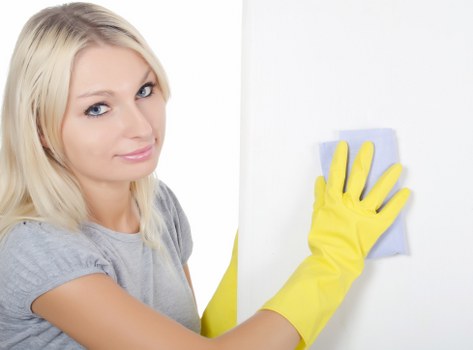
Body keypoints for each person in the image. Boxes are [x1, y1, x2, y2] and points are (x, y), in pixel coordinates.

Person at [0, 3, 410, 349]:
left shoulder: (157, 205)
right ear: (40, 128)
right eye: (98, 108)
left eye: (144, 90)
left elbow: (188, 336)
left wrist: (255, 244)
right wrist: (335, 259)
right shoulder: (37, 249)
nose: (141, 127)